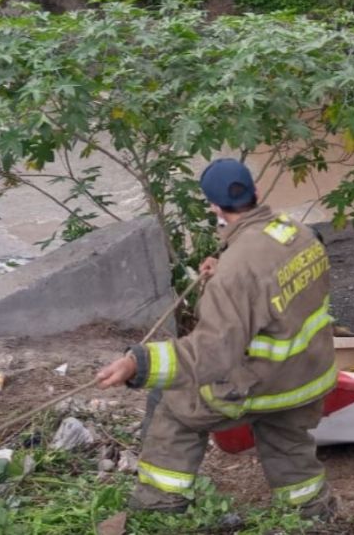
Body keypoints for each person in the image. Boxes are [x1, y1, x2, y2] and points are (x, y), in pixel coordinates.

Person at [96, 158, 338, 519]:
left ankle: (160, 507)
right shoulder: (296, 232)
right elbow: (270, 282)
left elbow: (211, 356)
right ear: (255, 191)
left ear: (213, 206)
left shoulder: (236, 272)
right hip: (308, 377)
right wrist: (225, 267)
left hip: (263, 382)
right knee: (287, 442)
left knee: (177, 410)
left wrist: (139, 362)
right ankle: (313, 513)